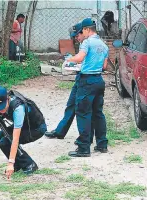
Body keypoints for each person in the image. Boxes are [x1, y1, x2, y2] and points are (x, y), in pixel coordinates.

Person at [45, 23, 96, 144]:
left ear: (84, 31)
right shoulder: (84, 43)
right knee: (71, 104)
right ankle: (60, 131)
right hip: (81, 77)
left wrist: (71, 60)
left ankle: (87, 139)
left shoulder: (90, 43)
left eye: (77, 35)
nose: (76, 39)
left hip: (88, 80)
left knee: (85, 110)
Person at [66, 18, 109, 157]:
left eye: (82, 31)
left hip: (87, 82)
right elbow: (104, 66)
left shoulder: (87, 42)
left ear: (86, 29)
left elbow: (80, 58)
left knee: (83, 113)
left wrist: (69, 59)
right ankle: (102, 144)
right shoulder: (104, 45)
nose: (81, 34)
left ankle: (84, 148)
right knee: (98, 113)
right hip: (99, 81)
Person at [0, 86, 47, 179]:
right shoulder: (2, 100)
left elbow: (15, 139)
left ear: (8, 99)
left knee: (6, 141)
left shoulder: (18, 109)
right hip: (24, 126)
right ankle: (18, 165)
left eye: (1, 107)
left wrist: (10, 163)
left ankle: (30, 165)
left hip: (36, 129)